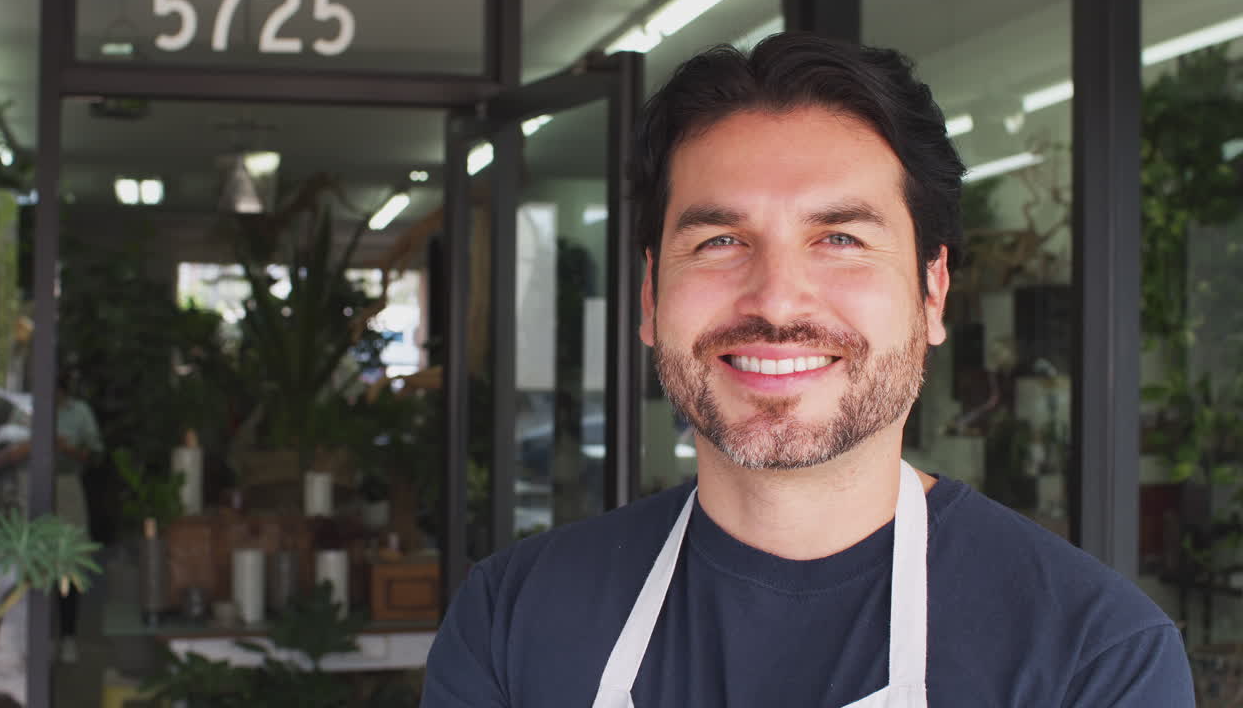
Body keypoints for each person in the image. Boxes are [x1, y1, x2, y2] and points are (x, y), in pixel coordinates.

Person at [421, 34, 1193, 706]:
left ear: (932, 291)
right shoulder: (512, 621)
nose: (777, 299)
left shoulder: (1093, 658)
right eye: (720, 241)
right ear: (652, 296)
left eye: (841, 239)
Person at [0, 370, 101, 664]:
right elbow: (10, 448)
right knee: (35, 562)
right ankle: (40, 638)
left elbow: (95, 454)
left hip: (66, 486)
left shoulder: (79, 412)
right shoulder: (24, 410)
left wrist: (66, 448)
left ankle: (68, 636)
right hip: (32, 487)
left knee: (68, 561)